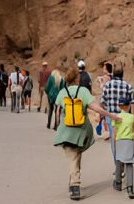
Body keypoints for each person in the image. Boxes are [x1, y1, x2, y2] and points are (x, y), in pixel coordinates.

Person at [53, 67, 120, 201]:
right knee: (76, 156)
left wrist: (57, 127)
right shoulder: (82, 91)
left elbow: (58, 111)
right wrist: (111, 116)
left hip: (66, 131)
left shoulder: (62, 92)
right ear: (76, 79)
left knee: (75, 156)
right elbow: (96, 108)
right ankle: (75, 185)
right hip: (81, 131)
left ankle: (73, 180)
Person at [101, 65, 134, 177]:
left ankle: (118, 166)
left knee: (114, 141)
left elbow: (102, 102)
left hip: (111, 117)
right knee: (126, 139)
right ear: (122, 74)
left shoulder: (107, 86)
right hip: (125, 118)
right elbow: (133, 104)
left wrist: (102, 116)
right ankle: (125, 162)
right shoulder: (128, 86)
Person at [113, 95, 134, 199]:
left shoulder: (116, 117)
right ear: (128, 106)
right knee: (129, 164)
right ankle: (130, 188)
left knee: (119, 161)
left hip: (119, 140)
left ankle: (118, 183)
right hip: (129, 141)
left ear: (119, 106)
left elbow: (114, 132)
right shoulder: (132, 117)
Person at [95, 62, 113, 138]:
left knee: (104, 114)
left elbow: (101, 86)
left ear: (106, 69)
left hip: (105, 98)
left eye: (104, 68)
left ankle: (107, 132)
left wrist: (100, 81)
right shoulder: (112, 77)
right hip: (111, 97)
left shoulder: (105, 77)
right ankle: (109, 131)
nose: (103, 69)